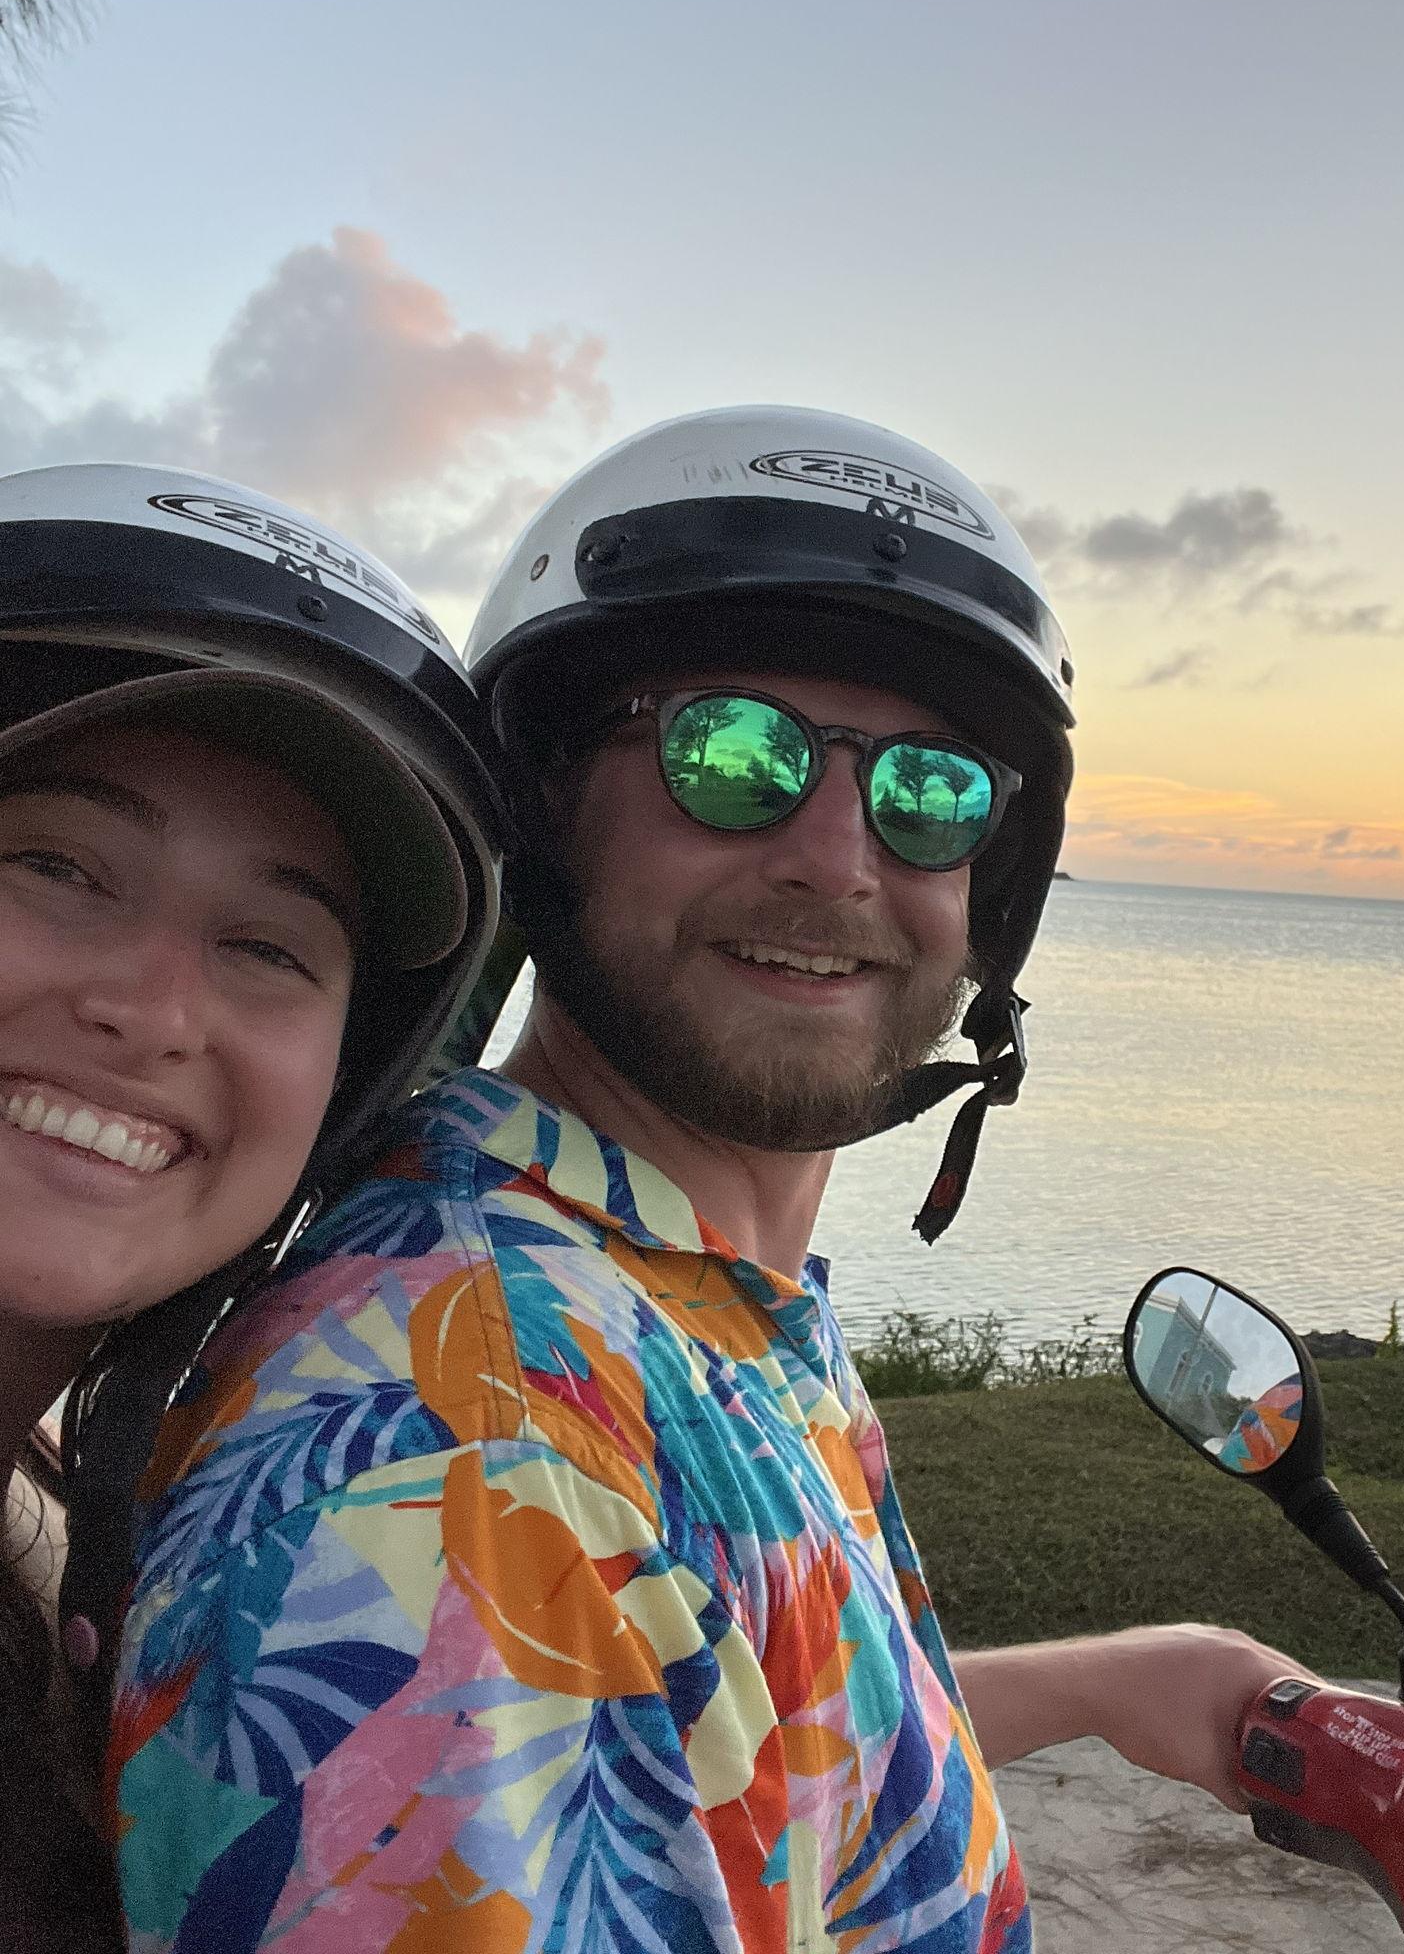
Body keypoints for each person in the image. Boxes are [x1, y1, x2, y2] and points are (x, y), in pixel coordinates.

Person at [109, 409, 1302, 1952]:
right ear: (545, 815)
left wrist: (1123, 1680)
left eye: (931, 794)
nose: (837, 858)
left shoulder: (662, 1289)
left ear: (986, 886)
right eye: (729, 754)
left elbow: (737, 1734)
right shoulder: (471, 1441)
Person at [0, 462, 500, 1952]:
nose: (154, 1014)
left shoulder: (58, 1508)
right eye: (54, 866)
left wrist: (1098, 1689)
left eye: (271, 946)